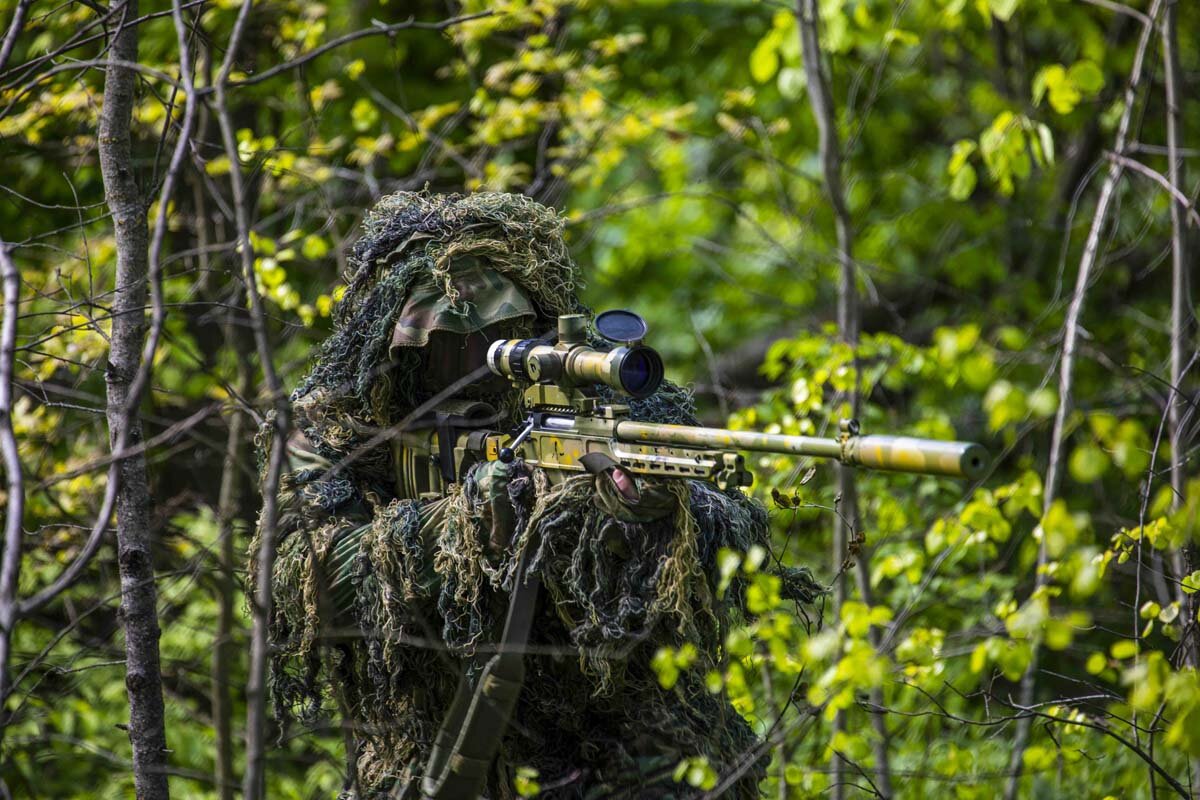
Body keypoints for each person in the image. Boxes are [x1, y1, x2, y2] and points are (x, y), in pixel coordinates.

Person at [258, 192, 819, 799]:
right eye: (444, 338)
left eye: (499, 332)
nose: (474, 357)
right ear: (392, 340)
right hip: (435, 751)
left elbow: (720, 533)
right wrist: (461, 525)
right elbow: (301, 580)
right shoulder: (338, 427)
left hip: (627, 750)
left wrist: (652, 515)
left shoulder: (594, 395)